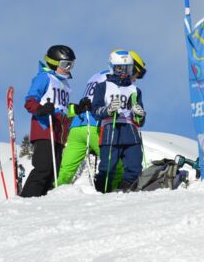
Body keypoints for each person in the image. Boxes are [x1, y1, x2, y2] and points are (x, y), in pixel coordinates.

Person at [57, 50, 146, 189]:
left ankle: (54, 191)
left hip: (77, 125)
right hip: (96, 126)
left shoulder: (96, 76)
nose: (133, 78)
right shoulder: (110, 82)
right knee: (115, 167)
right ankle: (113, 195)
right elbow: (99, 105)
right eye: (135, 73)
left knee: (66, 170)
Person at [20, 45, 74, 197]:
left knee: (53, 174)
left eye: (71, 64)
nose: (68, 68)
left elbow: (64, 109)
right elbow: (30, 100)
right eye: (65, 64)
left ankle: (41, 202)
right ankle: (26, 199)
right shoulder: (44, 78)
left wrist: (78, 109)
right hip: (44, 128)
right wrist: (41, 109)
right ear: (53, 62)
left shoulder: (66, 84)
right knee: (43, 168)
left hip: (59, 133)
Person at [92, 50, 146, 193]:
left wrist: (140, 114)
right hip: (111, 130)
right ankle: (100, 194)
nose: (123, 72)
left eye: (127, 69)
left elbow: (141, 120)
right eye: (119, 68)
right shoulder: (102, 87)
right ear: (112, 67)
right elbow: (95, 111)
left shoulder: (135, 90)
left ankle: (124, 193)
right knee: (108, 168)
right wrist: (108, 110)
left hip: (130, 131)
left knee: (135, 167)